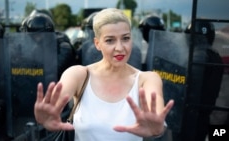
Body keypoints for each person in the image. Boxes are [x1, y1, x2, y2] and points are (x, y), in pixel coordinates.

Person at [34, 8, 174, 141]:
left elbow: (156, 114)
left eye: (125, 38)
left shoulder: (147, 79)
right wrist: (50, 114)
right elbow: (57, 101)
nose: (120, 48)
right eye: (110, 40)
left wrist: (157, 128)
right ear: (97, 43)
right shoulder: (79, 75)